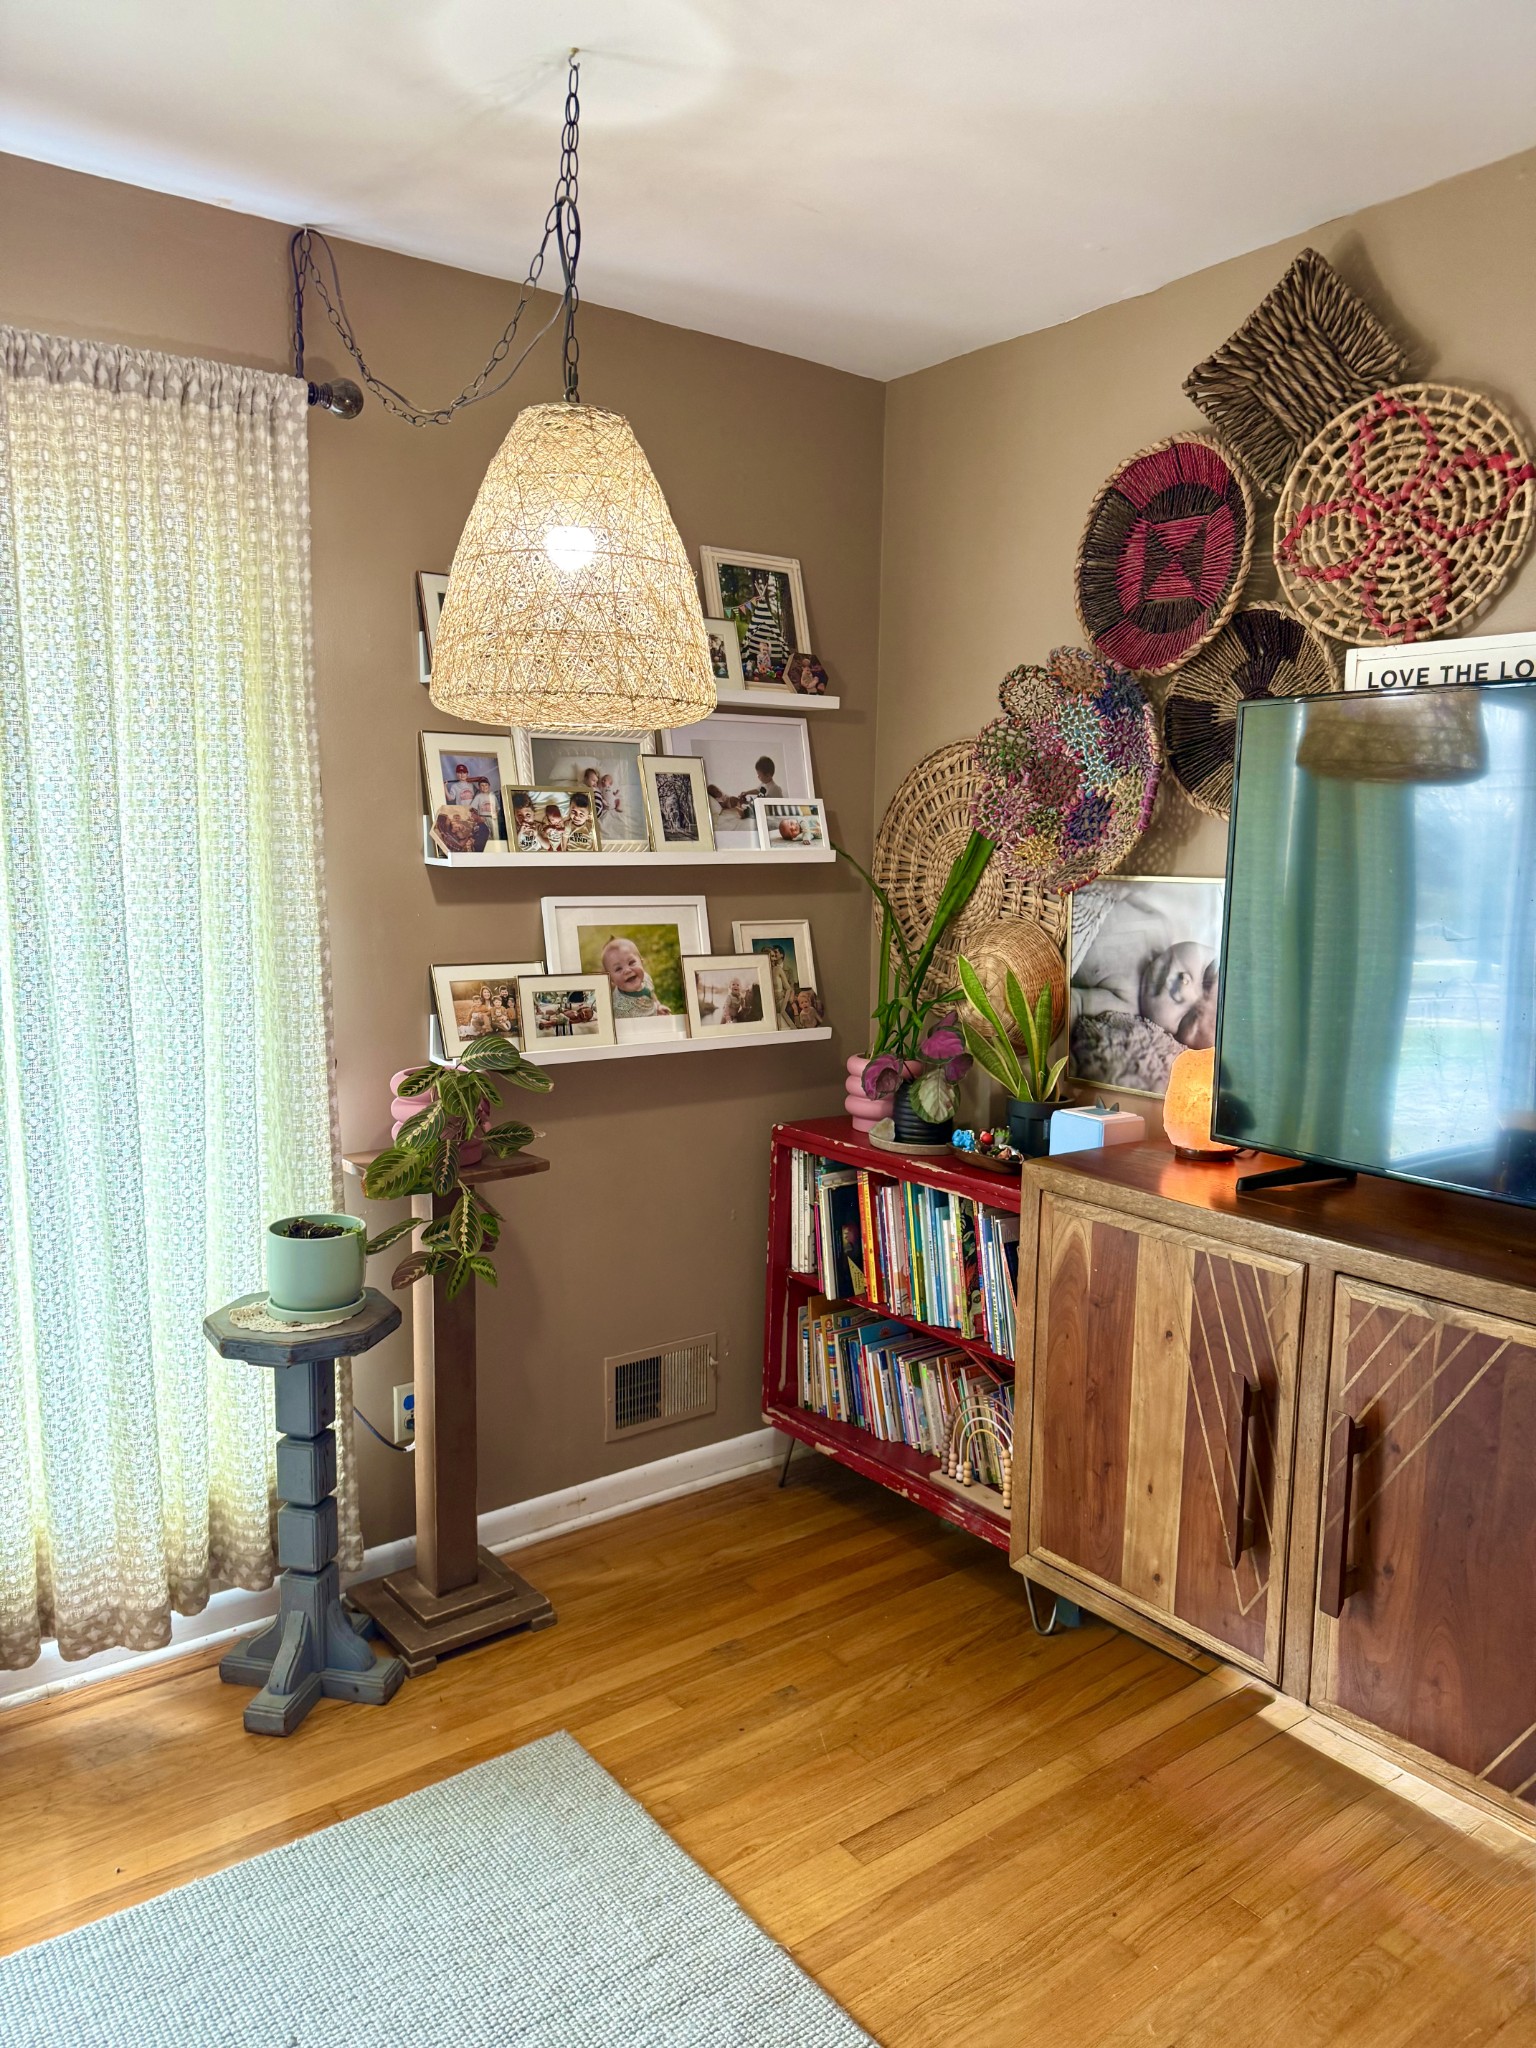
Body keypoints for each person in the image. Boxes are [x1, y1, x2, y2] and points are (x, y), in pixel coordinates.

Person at [1073, 885, 1218, 1051]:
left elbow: (1076, 1002)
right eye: (1207, 977)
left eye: (1186, 1019)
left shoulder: (1127, 1002)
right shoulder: (1162, 924)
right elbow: (1124, 888)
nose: (1184, 988)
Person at [601, 936, 671, 1019]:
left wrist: (658, 1006)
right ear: (611, 979)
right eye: (618, 969)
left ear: (641, 962)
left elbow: (651, 993)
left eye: (631, 962)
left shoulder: (645, 978)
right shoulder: (620, 1007)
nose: (627, 970)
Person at [470, 776, 503, 844]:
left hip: (492, 818)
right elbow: (473, 809)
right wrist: (479, 818)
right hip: (483, 818)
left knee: (495, 835)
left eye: (486, 785)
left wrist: (495, 814)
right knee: (486, 835)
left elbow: (497, 808)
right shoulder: (478, 797)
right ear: (479, 787)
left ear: (489, 786)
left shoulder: (492, 796)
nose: (484, 787)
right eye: (482, 785)